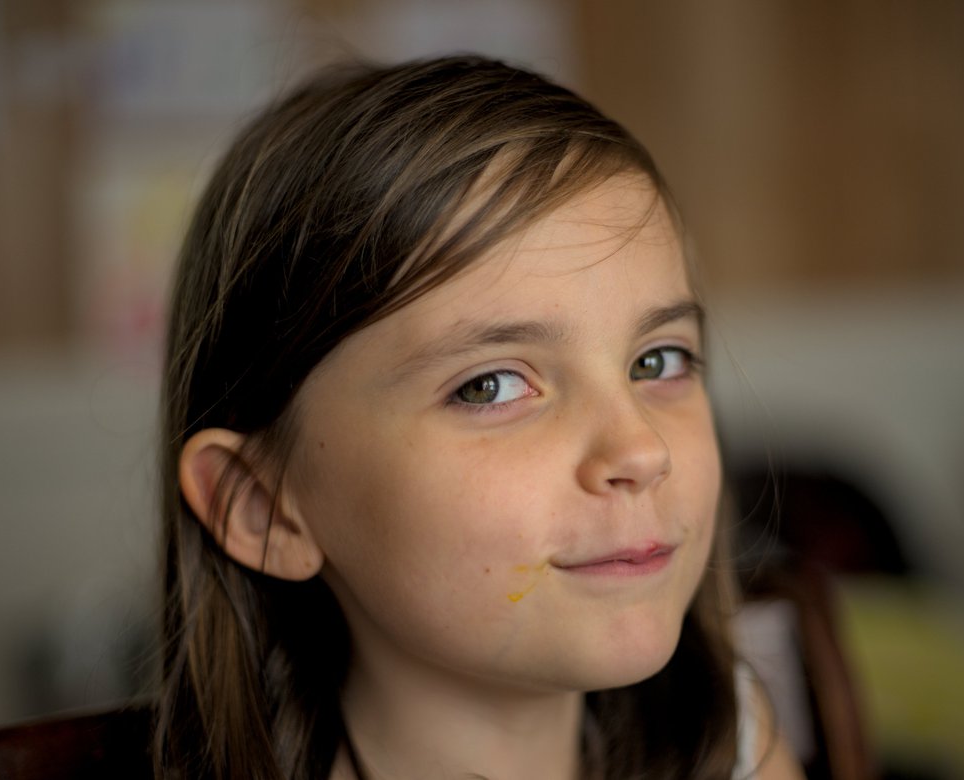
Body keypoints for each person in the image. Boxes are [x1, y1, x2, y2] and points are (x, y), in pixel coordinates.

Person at [155, 55, 802, 780]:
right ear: (262, 504)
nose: (642, 449)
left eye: (657, 362)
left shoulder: (724, 738)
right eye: (491, 385)